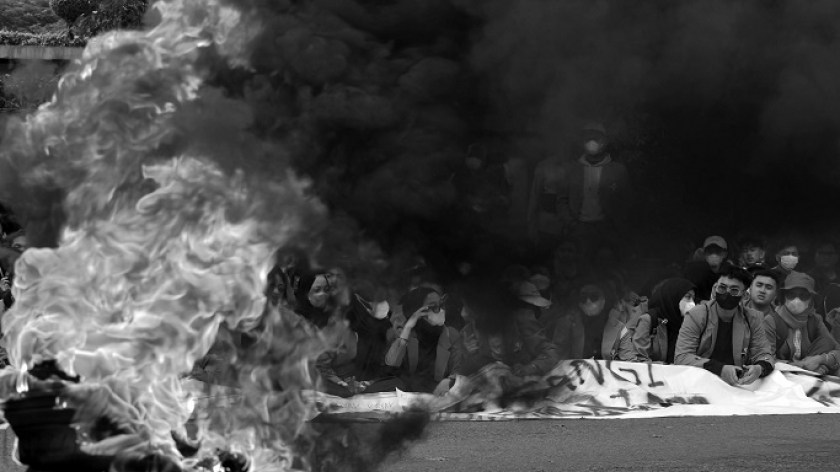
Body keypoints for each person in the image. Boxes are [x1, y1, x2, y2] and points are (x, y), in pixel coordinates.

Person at [675, 265, 774, 386]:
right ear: (714, 289)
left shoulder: (753, 318)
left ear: (744, 296)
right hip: (699, 381)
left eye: (734, 290)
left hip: (738, 384)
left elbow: (764, 354)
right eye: (722, 288)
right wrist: (719, 369)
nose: (726, 293)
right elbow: (682, 357)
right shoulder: (697, 315)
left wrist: (760, 368)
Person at [458, 280, 560, 378]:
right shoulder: (469, 332)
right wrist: (469, 355)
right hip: (492, 392)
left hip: (528, 387)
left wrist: (531, 368)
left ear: (485, 308)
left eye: (469, 307)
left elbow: (551, 353)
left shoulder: (521, 320)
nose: (464, 313)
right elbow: (463, 373)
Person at [317, 291, 405, 397]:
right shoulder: (330, 334)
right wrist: (341, 383)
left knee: (397, 383)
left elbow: (382, 370)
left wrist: (366, 383)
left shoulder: (377, 335)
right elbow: (321, 368)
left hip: (363, 388)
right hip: (337, 386)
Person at [563, 121, 632, 254]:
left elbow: (626, 200)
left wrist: (616, 223)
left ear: (604, 142)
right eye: (588, 138)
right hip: (580, 228)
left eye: (596, 138)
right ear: (582, 141)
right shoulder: (572, 169)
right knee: (582, 263)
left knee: (606, 263)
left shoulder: (618, 170)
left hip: (607, 228)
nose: (592, 142)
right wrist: (571, 223)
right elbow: (562, 200)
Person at [385, 287, 461, 394]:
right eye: (433, 306)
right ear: (418, 311)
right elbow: (391, 362)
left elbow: (459, 367)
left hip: (439, 397)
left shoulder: (451, 335)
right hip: (409, 396)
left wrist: (450, 380)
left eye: (442, 305)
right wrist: (408, 327)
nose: (440, 310)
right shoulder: (407, 334)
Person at [762, 272, 840, 375]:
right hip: (780, 376)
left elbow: (836, 350)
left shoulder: (815, 320)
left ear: (811, 299)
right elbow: (765, 358)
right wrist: (799, 365)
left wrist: (820, 360)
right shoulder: (771, 321)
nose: (796, 300)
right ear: (784, 297)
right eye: (791, 294)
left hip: (810, 376)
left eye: (803, 295)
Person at [617, 278, 695, 363]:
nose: (692, 303)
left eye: (693, 298)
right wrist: (664, 368)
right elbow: (640, 360)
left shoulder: (688, 323)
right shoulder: (649, 320)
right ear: (674, 295)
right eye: (688, 297)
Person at [683, 235, 729, 302]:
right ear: (705, 254)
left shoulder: (732, 275)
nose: (713, 255)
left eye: (717, 251)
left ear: (724, 254)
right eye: (710, 251)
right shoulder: (694, 275)